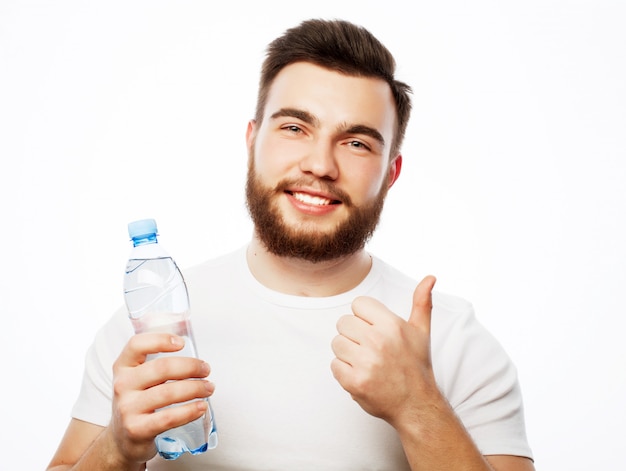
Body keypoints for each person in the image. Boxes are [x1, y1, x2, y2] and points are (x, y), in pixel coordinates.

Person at [47, 19, 534, 471]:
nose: (320, 165)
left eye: (357, 143)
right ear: (252, 141)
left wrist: (418, 408)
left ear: (391, 174)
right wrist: (115, 447)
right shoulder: (151, 328)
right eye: (295, 128)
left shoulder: (453, 342)